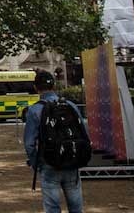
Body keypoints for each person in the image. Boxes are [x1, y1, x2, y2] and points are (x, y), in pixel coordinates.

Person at [24, 73, 87, 213]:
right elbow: (84, 133)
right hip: (71, 161)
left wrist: (36, 163)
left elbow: (29, 144)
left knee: (52, 207)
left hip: (49, 163)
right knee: (76, 207)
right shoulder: (70, 105)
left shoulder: (34, 110)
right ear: (54, 86)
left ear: (36, 88)